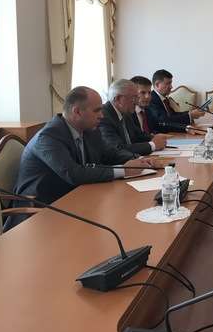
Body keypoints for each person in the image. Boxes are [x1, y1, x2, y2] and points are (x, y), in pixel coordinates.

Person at [8, 87, 151, 228]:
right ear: (77, 112)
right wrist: (124, 170)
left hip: (77, 198)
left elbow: (109, 155)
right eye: (97, 110)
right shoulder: (48, 137)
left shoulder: (89, 129)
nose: (102, 115)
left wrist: (138, 160)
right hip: (41, 210)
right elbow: (73, 173)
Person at [98, 79, 168, 157]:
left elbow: (137, 135)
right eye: (134, 97)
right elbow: (117, 148)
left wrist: (155, 138)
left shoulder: (125, 113)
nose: (137, 101)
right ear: (118, 99)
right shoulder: (104, 117)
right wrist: (152, 145)